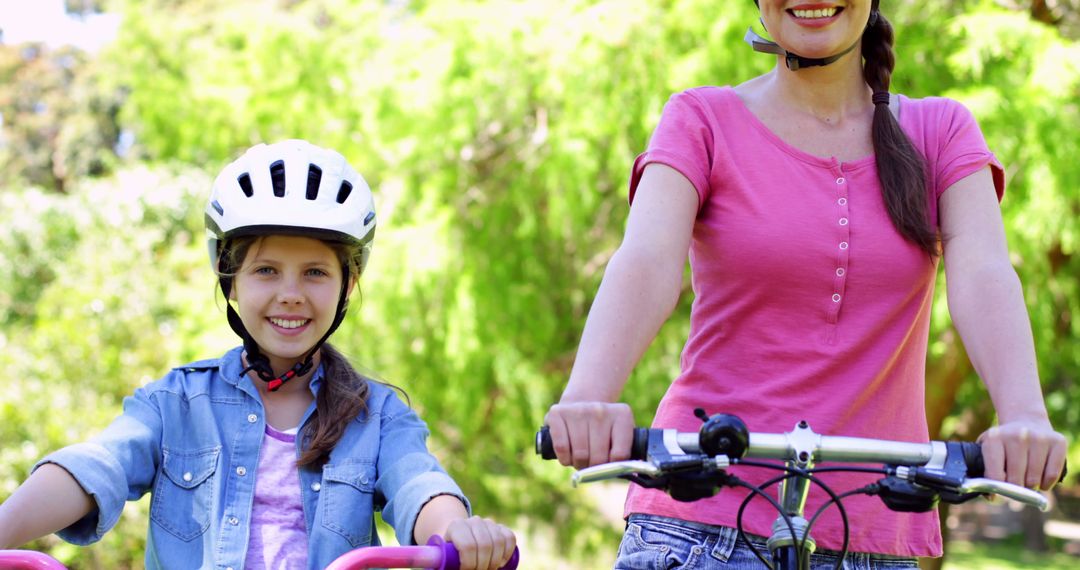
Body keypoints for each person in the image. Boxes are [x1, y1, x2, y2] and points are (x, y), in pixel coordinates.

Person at [544, 1, 1067, 567]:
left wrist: (1024, 418)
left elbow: (984, 272)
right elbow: (646, 259)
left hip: (875, 534)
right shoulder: (702, 119)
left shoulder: (940, 131)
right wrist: (586, 398)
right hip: (698, 526)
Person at [0, 140, 517, 570]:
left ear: (347, 284)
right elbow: (98, 466)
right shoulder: (176, 403)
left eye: (315, 272)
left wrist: (458, 532)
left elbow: (418, 483)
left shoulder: (377, 417)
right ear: (229, 280)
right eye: (266, 270)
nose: (290, 293)